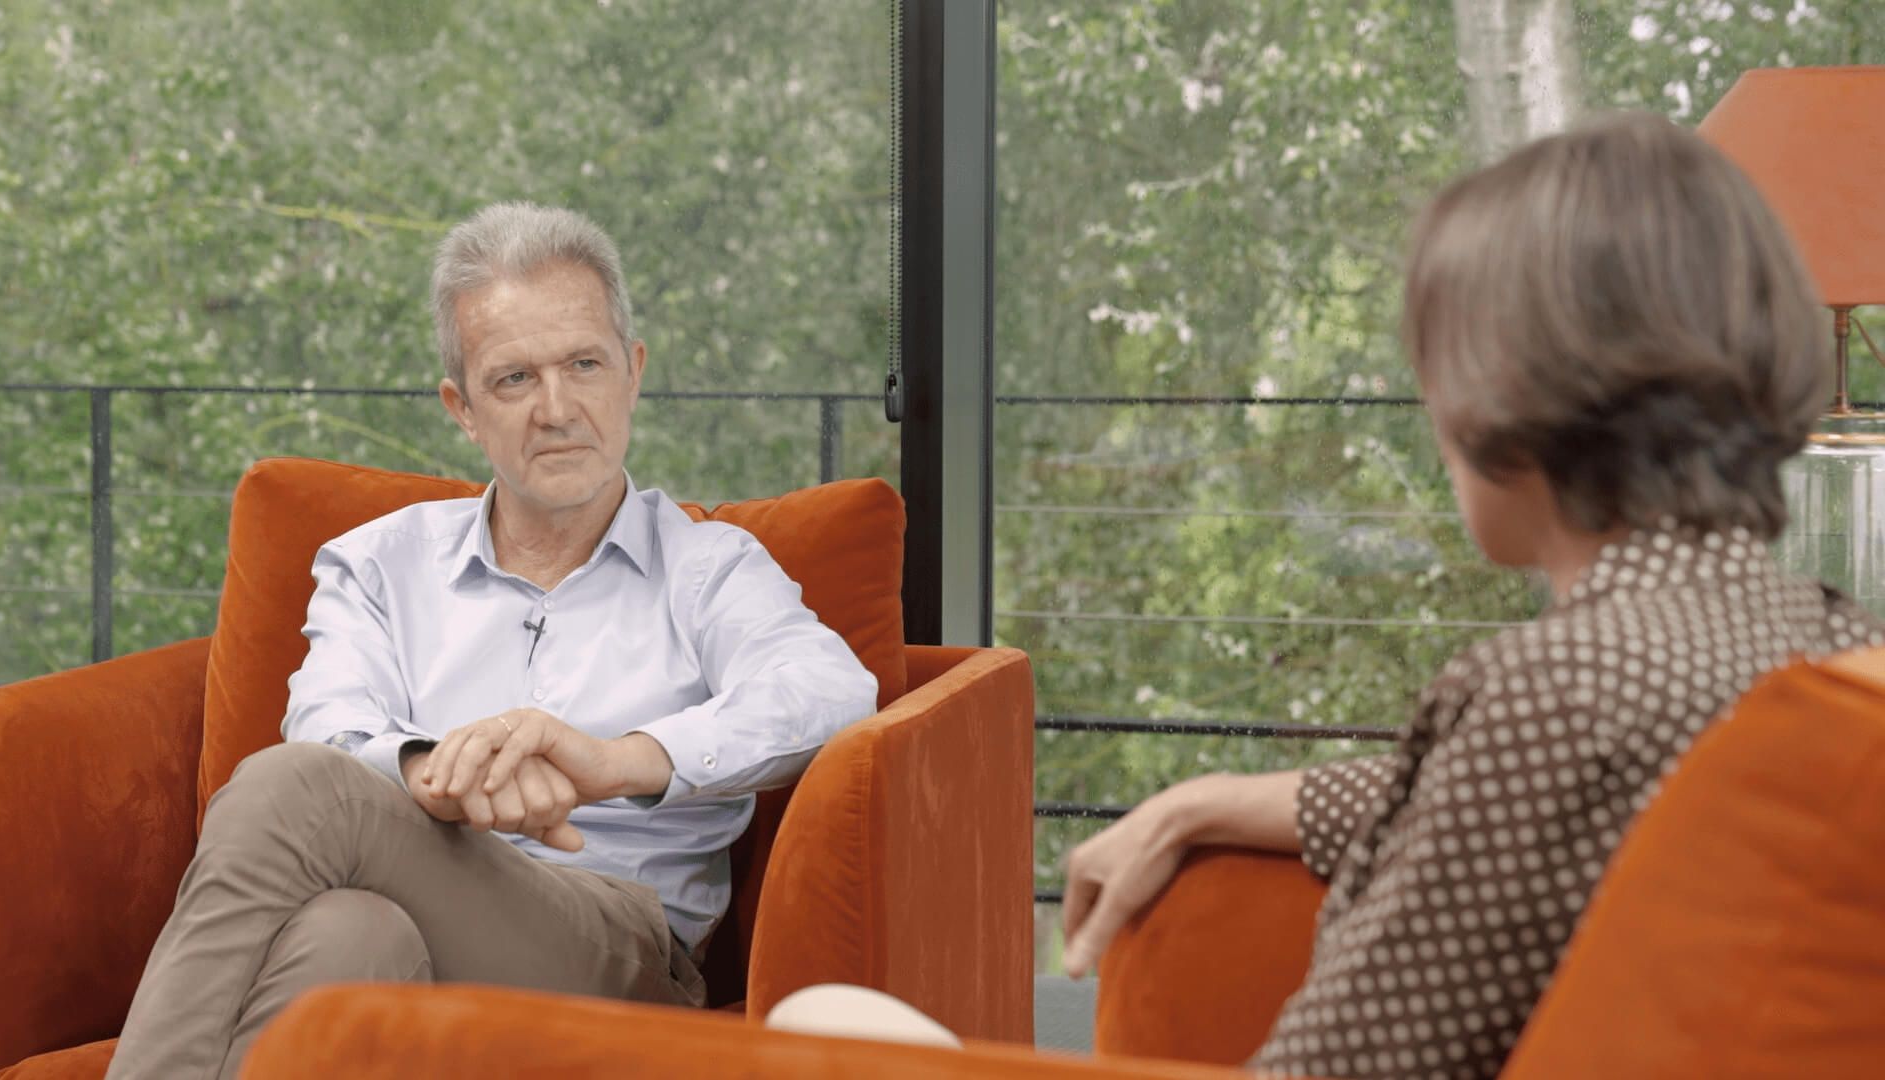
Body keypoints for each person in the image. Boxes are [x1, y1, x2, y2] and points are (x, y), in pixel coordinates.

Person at [772, 114, 1885, 1077]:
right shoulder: (1820, 644)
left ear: (1507, 394)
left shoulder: (1555, 693)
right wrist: (1207, 800)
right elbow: (1570, 802)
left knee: (821, 1021)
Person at [106, 203, 880, 1079]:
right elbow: (326, 723)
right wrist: (439, 780)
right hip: (419, 902)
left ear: (631, 372)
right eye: (514, 379)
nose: (557, 408)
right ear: (464, 409)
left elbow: (832, 692)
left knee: (294, 788)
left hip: (618, 951)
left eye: (584, 364)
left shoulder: (710, 568)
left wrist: (614, 762)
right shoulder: (378, 563)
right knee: (350, 933)